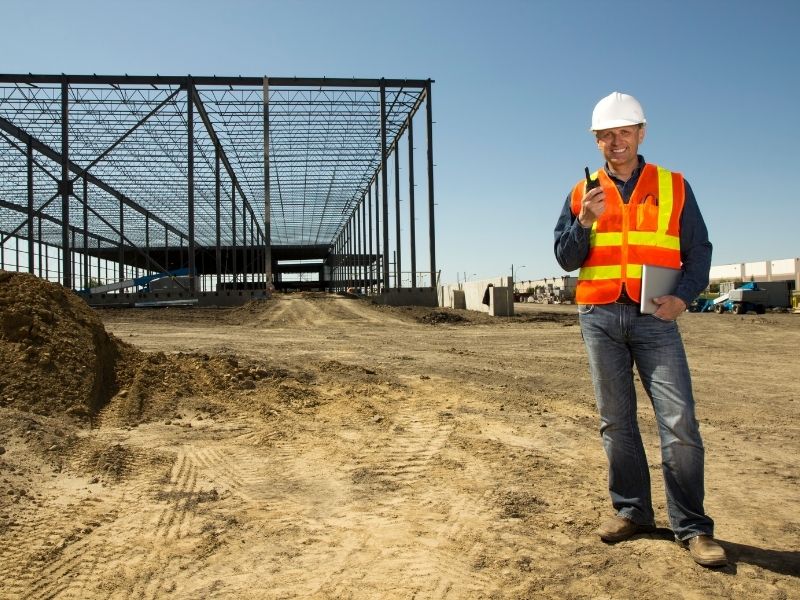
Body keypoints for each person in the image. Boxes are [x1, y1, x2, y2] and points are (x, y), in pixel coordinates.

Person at [553, 92, 726, 567]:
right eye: (605, 135)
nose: (615, 141)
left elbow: (700, 248)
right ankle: (632, 512)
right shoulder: (580, 192)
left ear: (641, 133)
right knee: (616, 421)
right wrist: (584, 222)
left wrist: (684, 297)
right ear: (596, 140)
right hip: (600, 317)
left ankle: (692, 528)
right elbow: (566, 258)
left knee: (679, 421)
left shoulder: (673, 186)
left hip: (655, 317)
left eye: (623, 132)